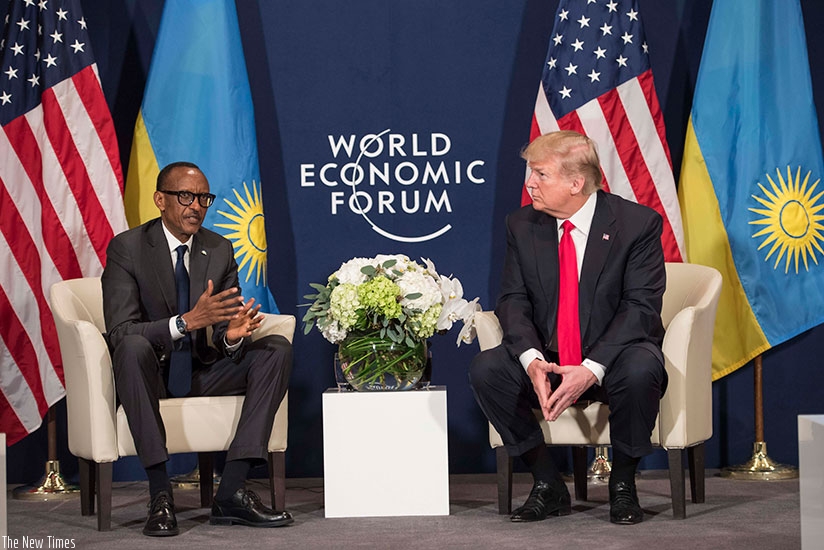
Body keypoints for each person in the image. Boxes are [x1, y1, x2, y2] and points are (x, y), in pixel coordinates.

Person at [469, 131, 667, 525]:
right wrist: (532, 361)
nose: (529, 184)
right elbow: (512, 300)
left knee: (642, 367)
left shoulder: (636, 224)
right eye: (531, 173)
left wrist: (592, 368)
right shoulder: (522, 224)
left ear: (576, 183)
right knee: (487, 370)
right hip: (551, 358)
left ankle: (623, 483)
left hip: (615, 358)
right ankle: (547, 481)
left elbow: (640, 308)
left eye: (540, 174)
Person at [102, 162, 293, 536]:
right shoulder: (128, 248)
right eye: (185, 196)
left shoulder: (219, 249)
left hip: (203, 371)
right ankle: (160, 494)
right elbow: (120, 331)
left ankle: (233, 490)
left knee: (276, 349)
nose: (196, 207)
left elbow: (222, 331)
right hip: (150, 374)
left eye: (204, 198)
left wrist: (233, 335)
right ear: (160, 200)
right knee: (131, 348)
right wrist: (185, 322)